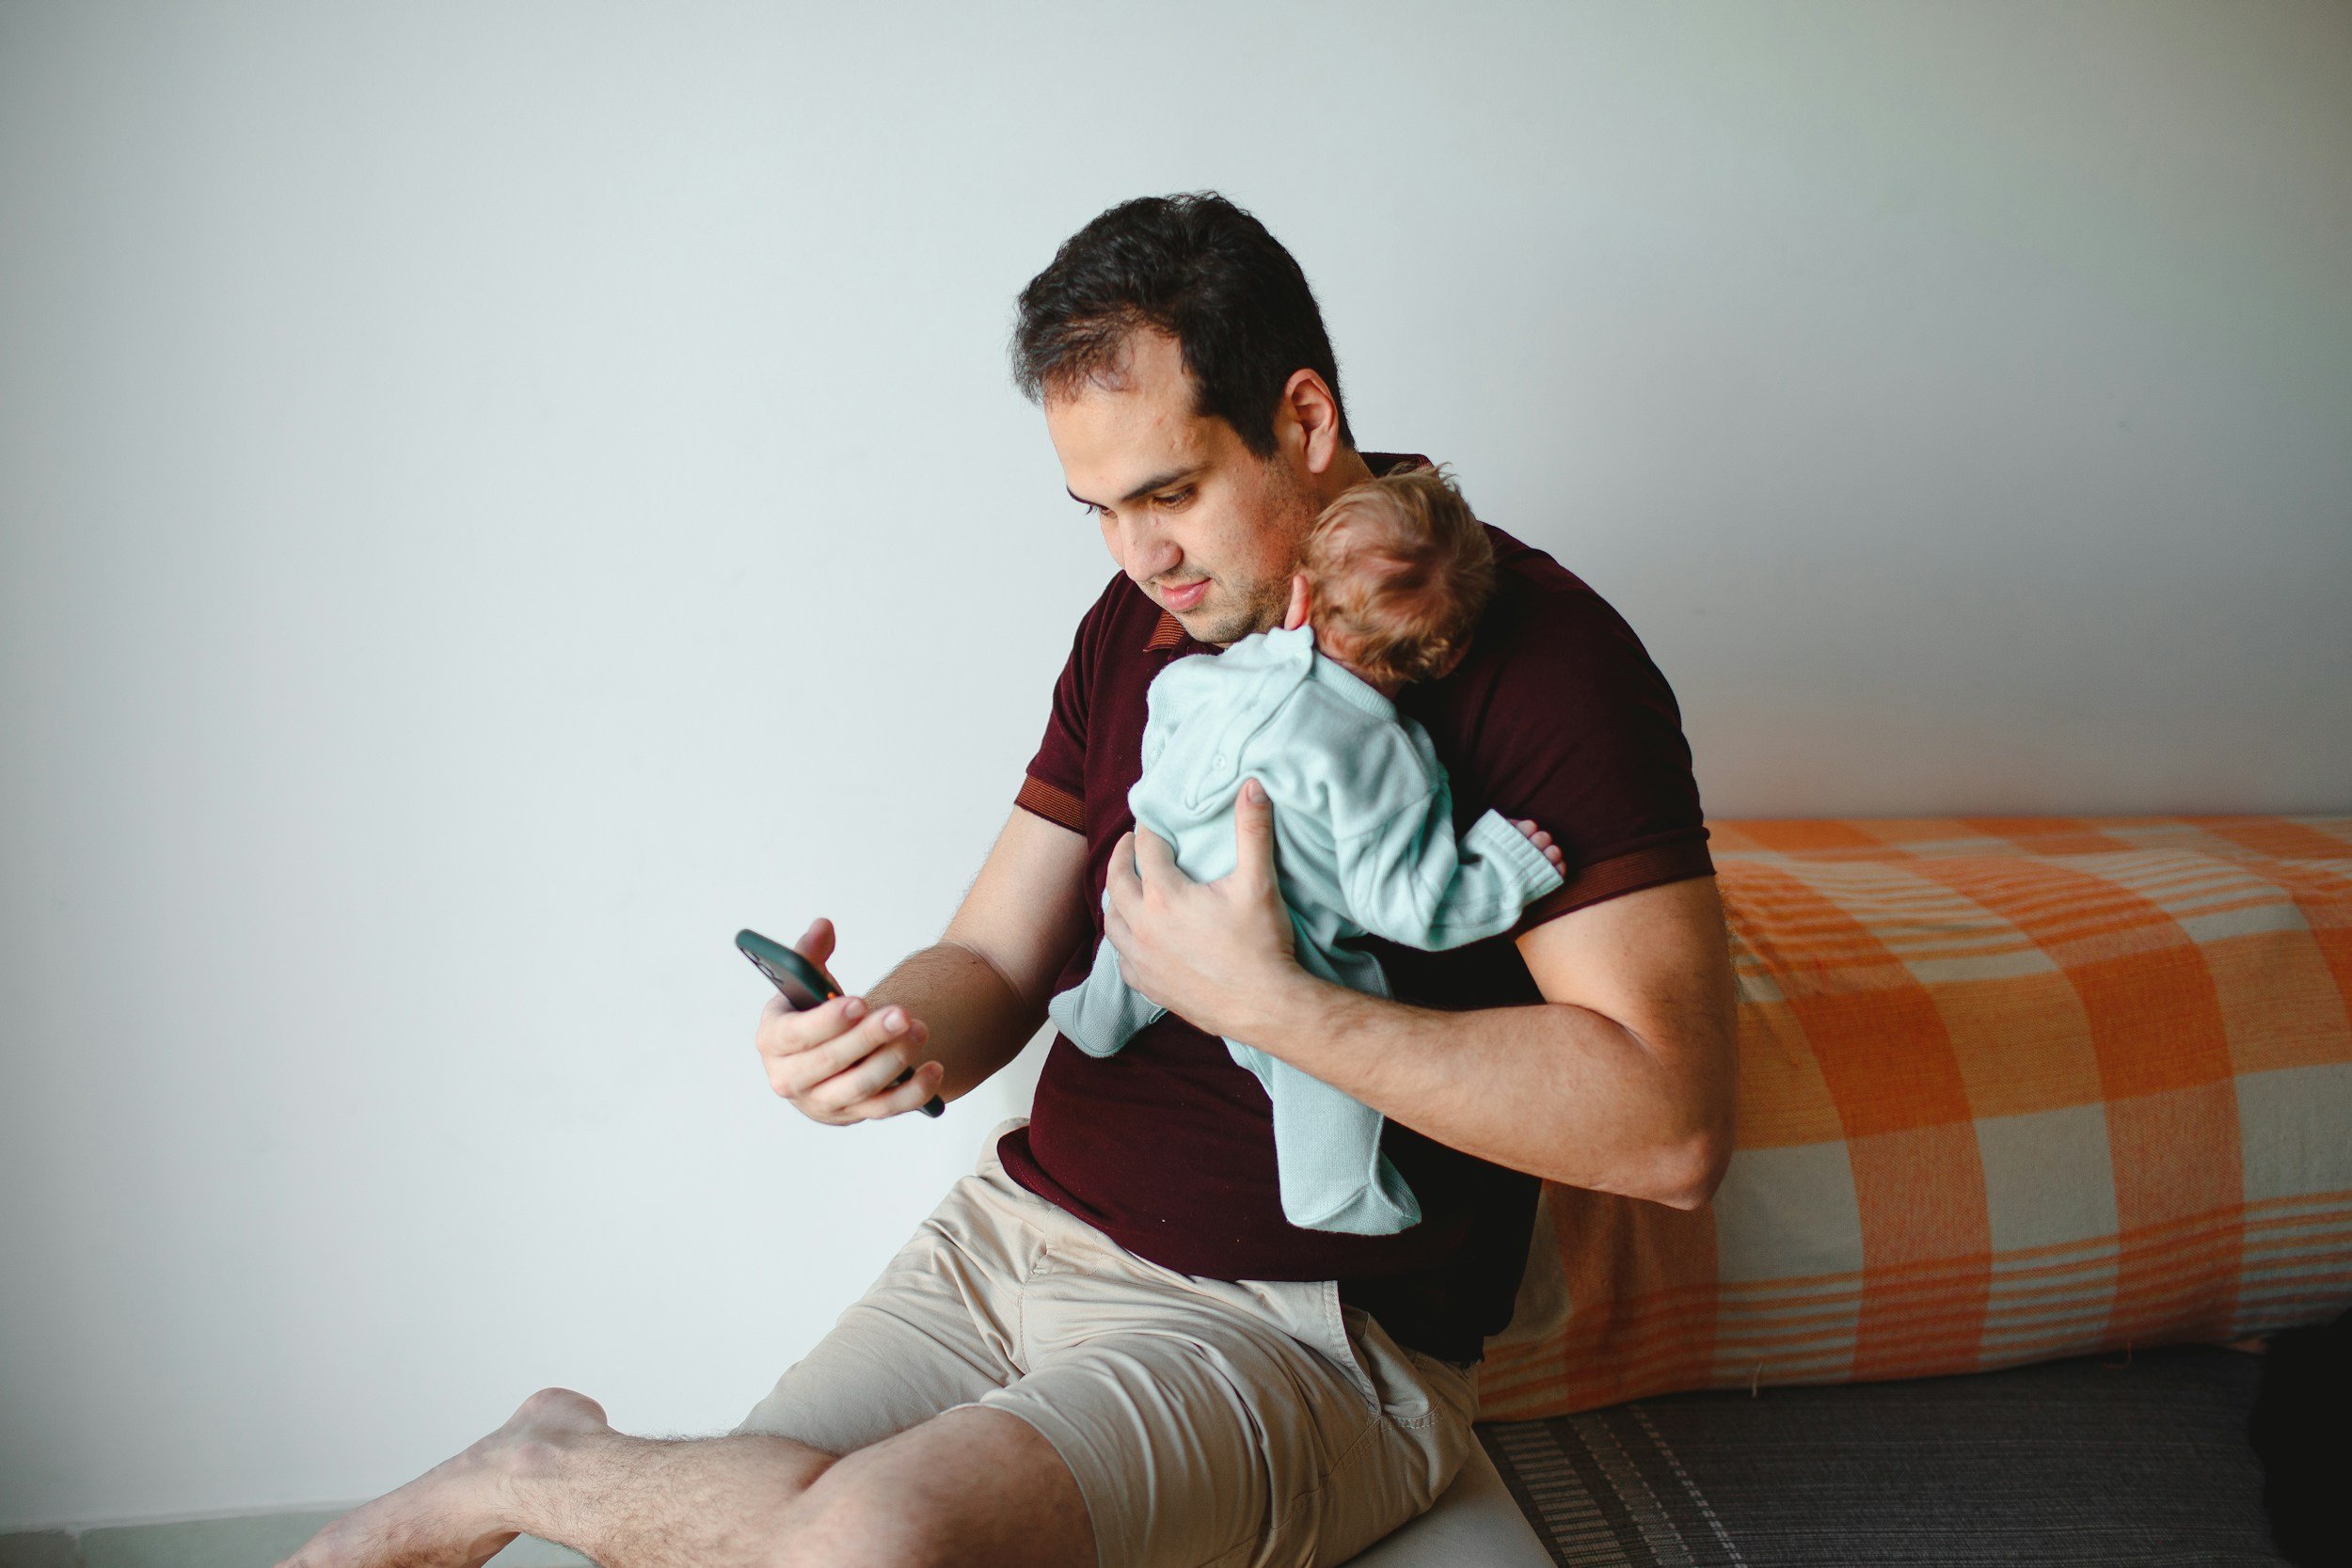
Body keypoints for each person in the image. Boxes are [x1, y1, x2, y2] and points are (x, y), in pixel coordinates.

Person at [279, 191, 1738, 1568]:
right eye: (1095, 507)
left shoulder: (1543, 659)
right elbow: (993, 956)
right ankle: (555, 1453)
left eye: (1167, 489)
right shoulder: (1146, 622)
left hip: (1297, 1328)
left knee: (867, 1543)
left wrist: (1272, 1004)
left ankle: (527, 1466)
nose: (1137, 552)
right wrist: (887, 1037)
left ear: (1303, 418)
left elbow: (1669, 1125)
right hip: (1009, 1237)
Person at [1047, 465, 1572, 1237]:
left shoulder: (1236, 666)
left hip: (1162, 860)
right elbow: (1409, 906)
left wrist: (1167, 785)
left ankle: (1096, 1013)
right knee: (1321, 1057)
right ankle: (1332, 1189)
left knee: (1130, 915)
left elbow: (1166, 705)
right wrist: (1504, 863)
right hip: (1276, 944)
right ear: (1441, 660)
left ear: (1297, 596)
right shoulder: (1387, 759)